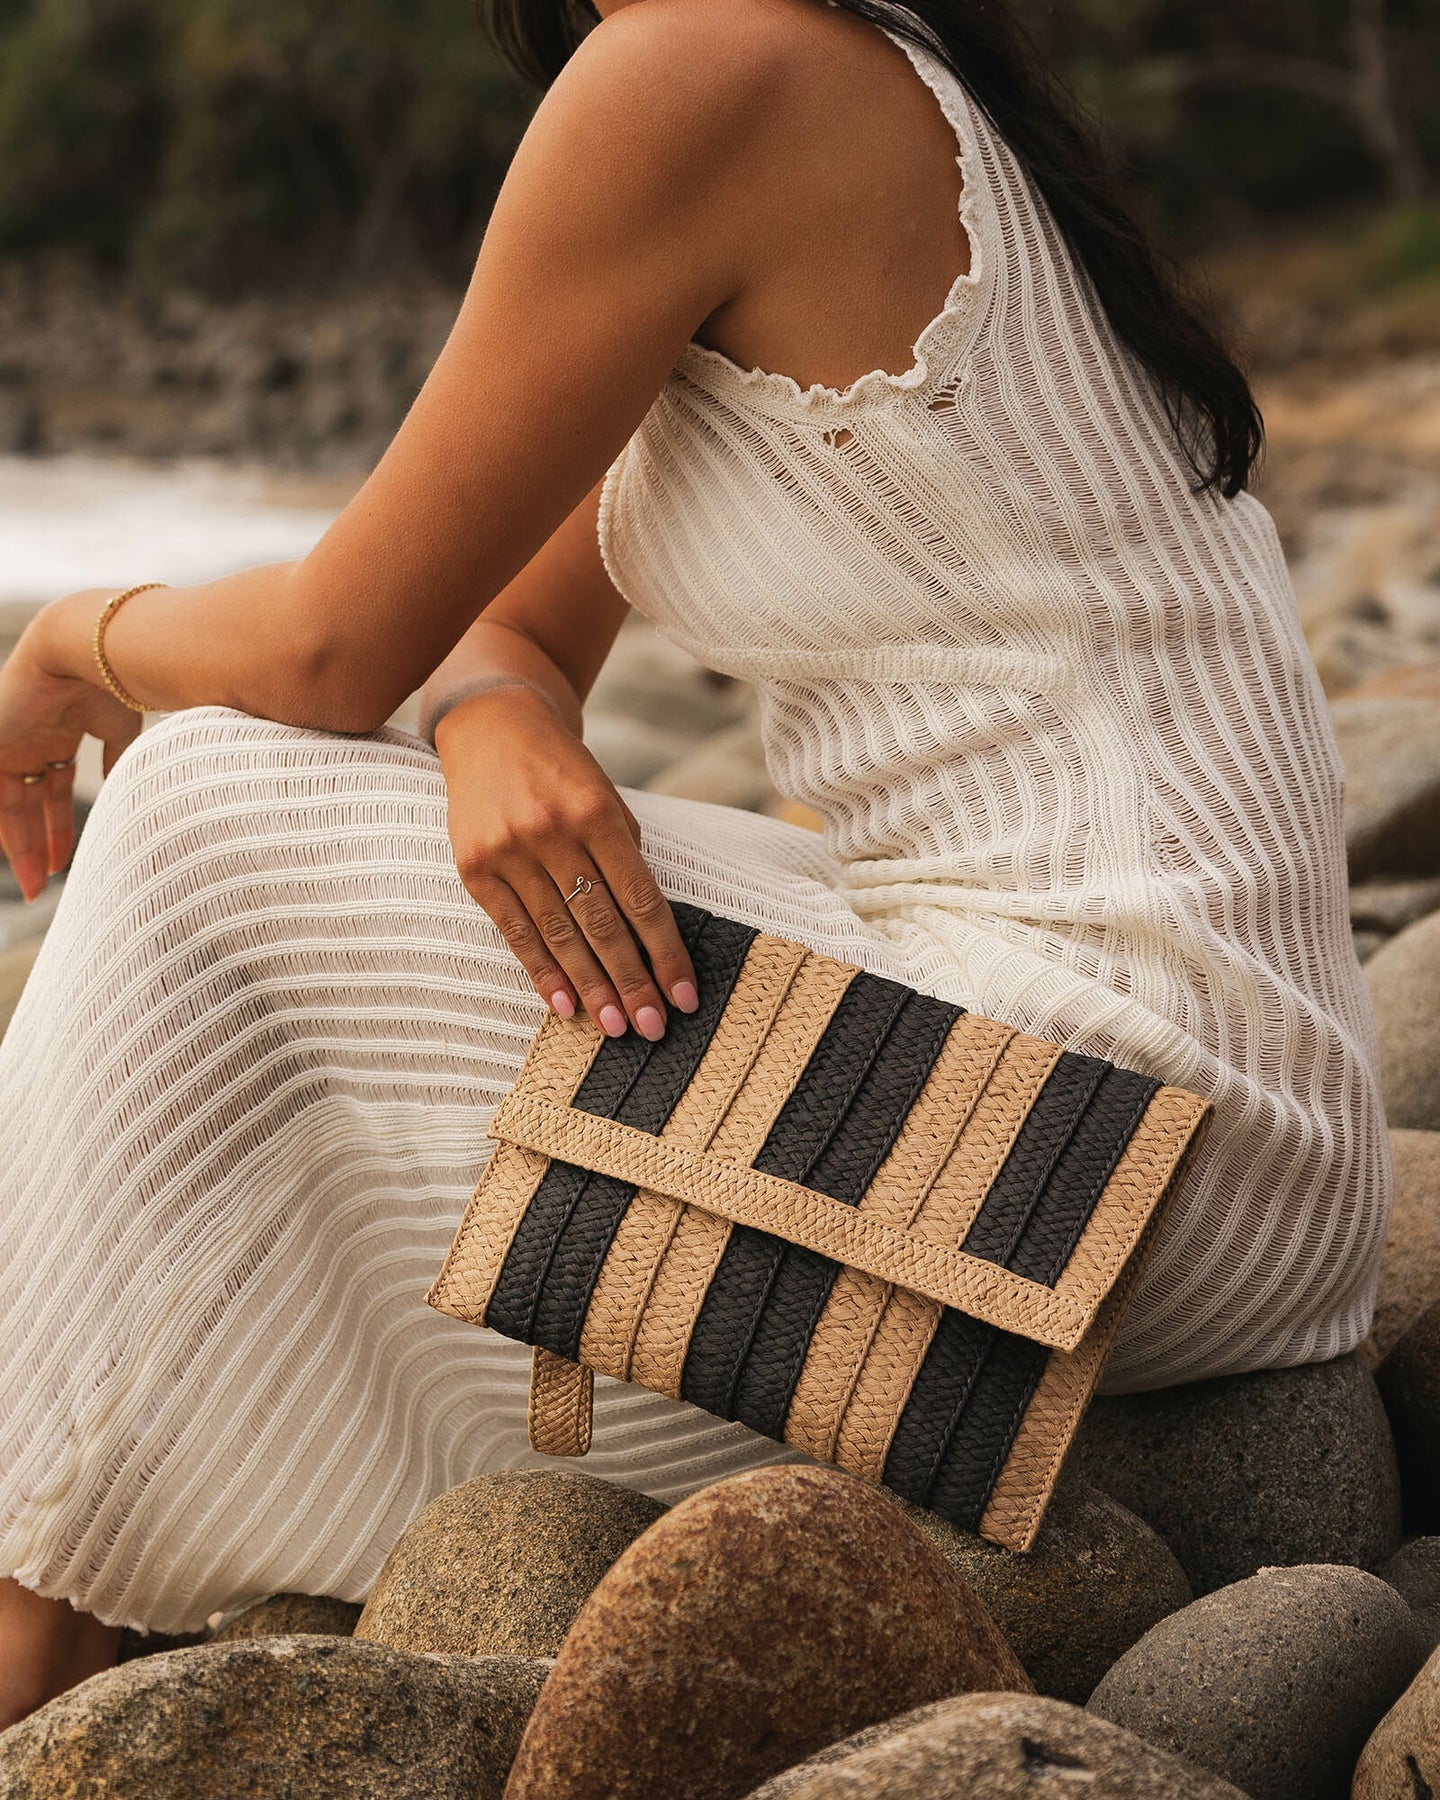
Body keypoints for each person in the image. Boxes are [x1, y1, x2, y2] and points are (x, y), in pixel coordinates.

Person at [0, 0, 1391, 1728]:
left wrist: (68, 635)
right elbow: (490, 624)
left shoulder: (707, 68)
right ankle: (99, 1543)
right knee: (277, 826)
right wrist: (494, 717)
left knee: (202, 806)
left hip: (1145, 1125)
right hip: (1179, 1090)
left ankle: (28, 1623)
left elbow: (327, 652)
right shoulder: (831, 66)